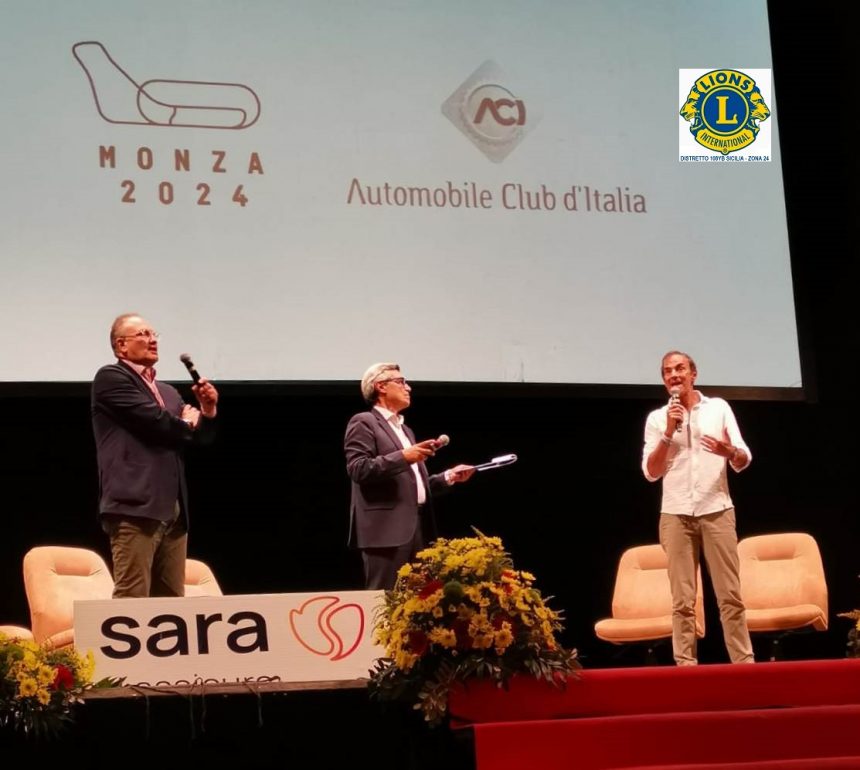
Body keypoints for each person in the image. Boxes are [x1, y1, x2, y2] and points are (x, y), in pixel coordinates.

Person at [91, 313, 218, 598]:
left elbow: (199, 437)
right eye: (143, 334)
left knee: (172, 604)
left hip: (173, 507)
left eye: (153, 334)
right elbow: (156, 422)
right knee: (132, 598)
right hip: (135, 504)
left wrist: (207, 410)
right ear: (121, 345)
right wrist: (184, 423)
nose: (152, 340)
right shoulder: (111, 378)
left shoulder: (168, 392)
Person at [642, 350, 754, 665]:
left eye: (680, 368)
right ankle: (685, 670)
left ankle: (745, 667)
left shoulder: (718, 408)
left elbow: (744, 457)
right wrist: (668, 431)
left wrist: (728, 451)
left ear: (694, 374)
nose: (674, 375)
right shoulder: (657, 419)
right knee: (682, 602)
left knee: (730, 597)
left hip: (717, 510)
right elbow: (651, 472)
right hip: (675, 515)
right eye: (667, 371)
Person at [345, 362, 475, 590]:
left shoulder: (406, 430)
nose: (408, 388)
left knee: (420, 602)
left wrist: (448, 477)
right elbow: (359, 468)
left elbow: (413, 486)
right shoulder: (364, 421)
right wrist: (404, 456)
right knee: (385, 600)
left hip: (418, 528)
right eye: (401, 382)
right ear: (381, 386)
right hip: (385, 533)